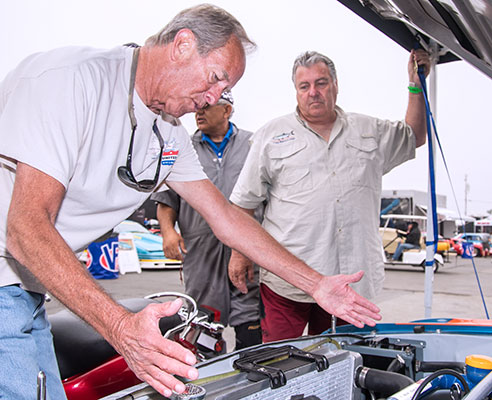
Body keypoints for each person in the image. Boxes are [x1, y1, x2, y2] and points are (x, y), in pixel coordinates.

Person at [0, 6, 380, 399]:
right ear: (182, 45)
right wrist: (120, 327)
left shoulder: (167, 133)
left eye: (224, 90)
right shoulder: (69, 82)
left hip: (27, 290)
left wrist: (316, 284)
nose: (213, 98)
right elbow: (26, 229)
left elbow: (226, 217)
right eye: (215, 78)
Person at [229, 49, 430, 342]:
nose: (313, 92)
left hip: (351, 284)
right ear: (296, 91)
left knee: (346, 361)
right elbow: (243, 203)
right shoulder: (271, 136)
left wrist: (415, 86)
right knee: (280, 363)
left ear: (335, 85)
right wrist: (239, 253)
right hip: (288, 284)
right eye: (304, 86)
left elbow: (415, 135)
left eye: (321, 83)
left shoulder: (369, 131)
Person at [152, 91, 262, 350]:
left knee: (250, 322)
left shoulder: (253, 145)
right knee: (202, 324)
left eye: (207, 106)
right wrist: (168, 232)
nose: (198, 112)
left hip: (247, 252)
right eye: (197, 106)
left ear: (227, 111)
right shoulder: (181, 148)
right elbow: (166, 200)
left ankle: (250, 381)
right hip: (201, 254)